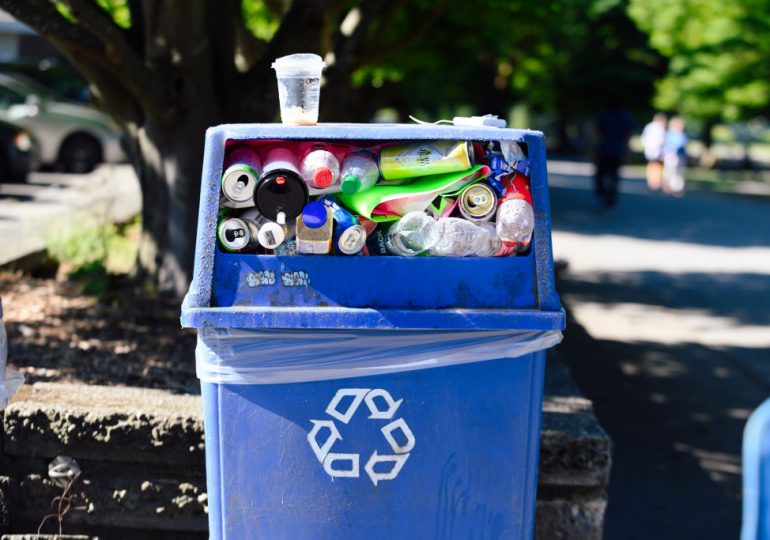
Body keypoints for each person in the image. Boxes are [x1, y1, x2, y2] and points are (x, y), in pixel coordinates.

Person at [594, 98, 634, 209]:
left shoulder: (604, 115)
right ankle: (611, 199)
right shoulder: (625, 116)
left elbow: (598, 132)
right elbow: (628, 135)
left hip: (604, 149)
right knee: (614, 176)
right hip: (618, 150)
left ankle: (602, 196)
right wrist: (627, 151)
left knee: (600, 175)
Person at [640, 113, 667, 190]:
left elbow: (643, 138)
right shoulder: (659, 127)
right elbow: (662, 140)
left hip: (649, 150)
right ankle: (656, 182)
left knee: (651, 164)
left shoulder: (649, 126)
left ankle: (651, 181)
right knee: (657, 165)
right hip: (657, 150)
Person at [662, 116, 687, 196]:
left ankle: (673, 187)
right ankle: (674, 187)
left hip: (673, 155)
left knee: (672, 172)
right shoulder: (677, 135)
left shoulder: (670, 134)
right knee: (674, 172)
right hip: (674, 155)